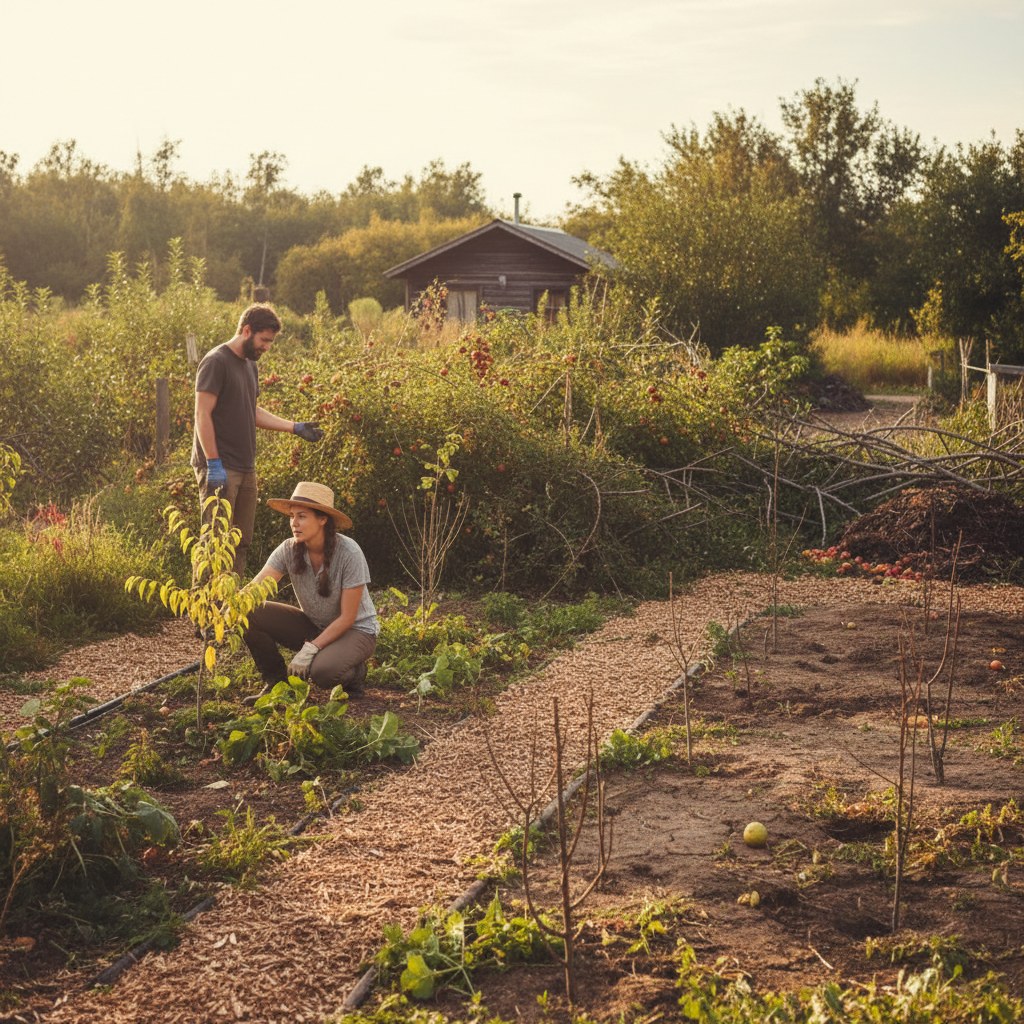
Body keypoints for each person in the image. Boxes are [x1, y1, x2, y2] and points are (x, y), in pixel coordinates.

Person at [191, 303, 323, 576]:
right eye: (264, 340)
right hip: (220, 467)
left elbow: (251, 410)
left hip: (245, 466)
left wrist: (294, 427)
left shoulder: (250, 365)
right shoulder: (216, 362)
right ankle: (205, 602)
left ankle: (231, 598)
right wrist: (213, 463)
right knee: (215, 542)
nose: (267, 347)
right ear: (247, 330)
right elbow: (202, 414)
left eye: (270, 342)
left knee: (240, 541)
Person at [241, 481, 378, 702]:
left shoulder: (349, 552)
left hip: (356, 631)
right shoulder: (288, 549)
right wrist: (225, 611)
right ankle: (276, 683)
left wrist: (310, 649)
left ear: (323, 519)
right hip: (316, 625)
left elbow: (348, 618)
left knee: (322, 673)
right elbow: (255, 590)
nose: (294, 523)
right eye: (291, 516)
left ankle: (355, 674)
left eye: (302, 516)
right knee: (247, 611)